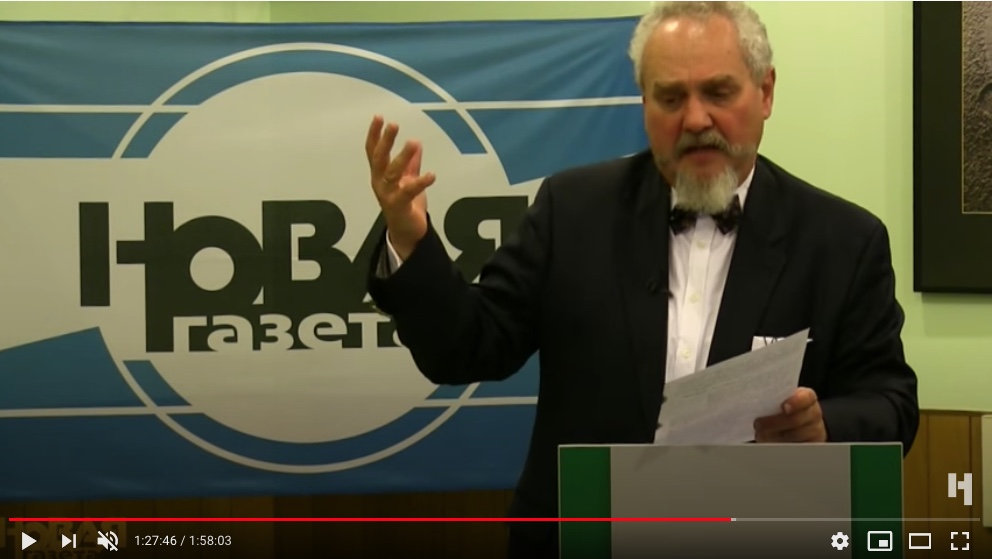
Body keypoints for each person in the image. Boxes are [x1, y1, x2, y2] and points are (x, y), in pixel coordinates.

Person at [363, 1, 919, 557]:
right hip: (585, 538)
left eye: (718, 92)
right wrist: (409, 239)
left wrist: (824, 426)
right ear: (644, 102)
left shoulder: (843, 241)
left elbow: (892, 404)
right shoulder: (571, 210)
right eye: (671, 98)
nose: (695, 120)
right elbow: (467, 349)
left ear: (766, 92)